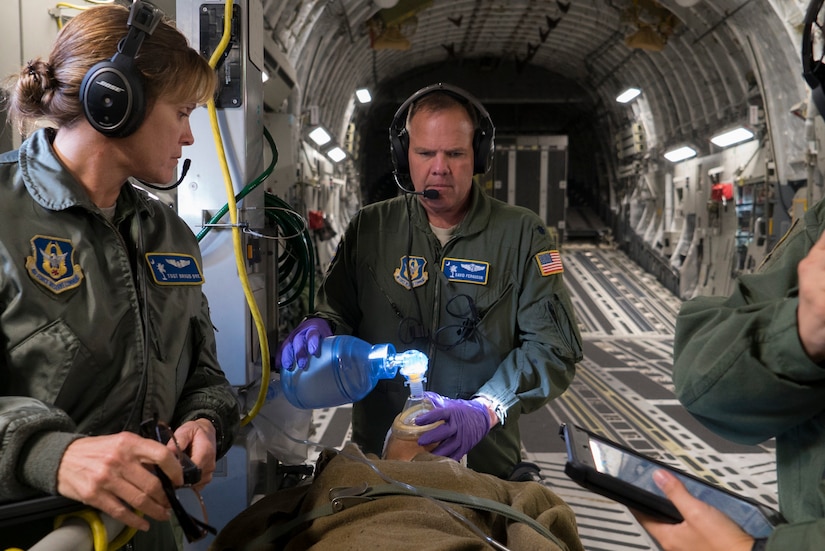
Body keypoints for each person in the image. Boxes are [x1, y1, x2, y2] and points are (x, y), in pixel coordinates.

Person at [0, 3, 240, 549]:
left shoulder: (169, 235)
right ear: (115, 102)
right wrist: (51, 455)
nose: (189, 138)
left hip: (144, 530)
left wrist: (204, 422)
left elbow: (204, 376)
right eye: (182, 113)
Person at [279, 83, 583, 480]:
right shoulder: (370, 228)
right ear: (404, 157)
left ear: (479, 156)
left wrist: (487, 407)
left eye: (455, 153)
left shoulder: (523, 235)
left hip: (483, 464)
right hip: (381, 463)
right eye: (425, 153)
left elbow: (553, 348)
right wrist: (322, 326)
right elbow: (336, 311)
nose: (439, 167)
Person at [210, 442, 585, 551]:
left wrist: (492, 403)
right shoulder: (494, 488)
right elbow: (551, 524)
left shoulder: (340, 474)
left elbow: (247, 530)